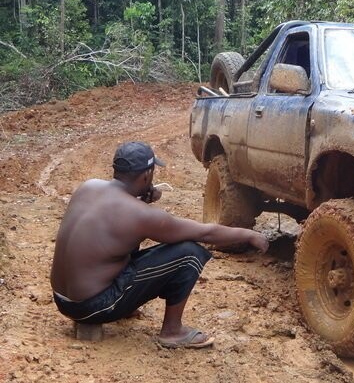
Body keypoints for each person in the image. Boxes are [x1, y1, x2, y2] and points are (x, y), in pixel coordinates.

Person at [50, 141, 268, 348]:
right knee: (190, 252)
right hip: (92, 306)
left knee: (121, 247)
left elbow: (116, 226)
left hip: (63, 300)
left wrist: (141, 197)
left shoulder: (88, 187)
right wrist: (248, 235)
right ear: (146, 175)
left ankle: (126, 309)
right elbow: (207, 233)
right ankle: (173, 331)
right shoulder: (140, 215)